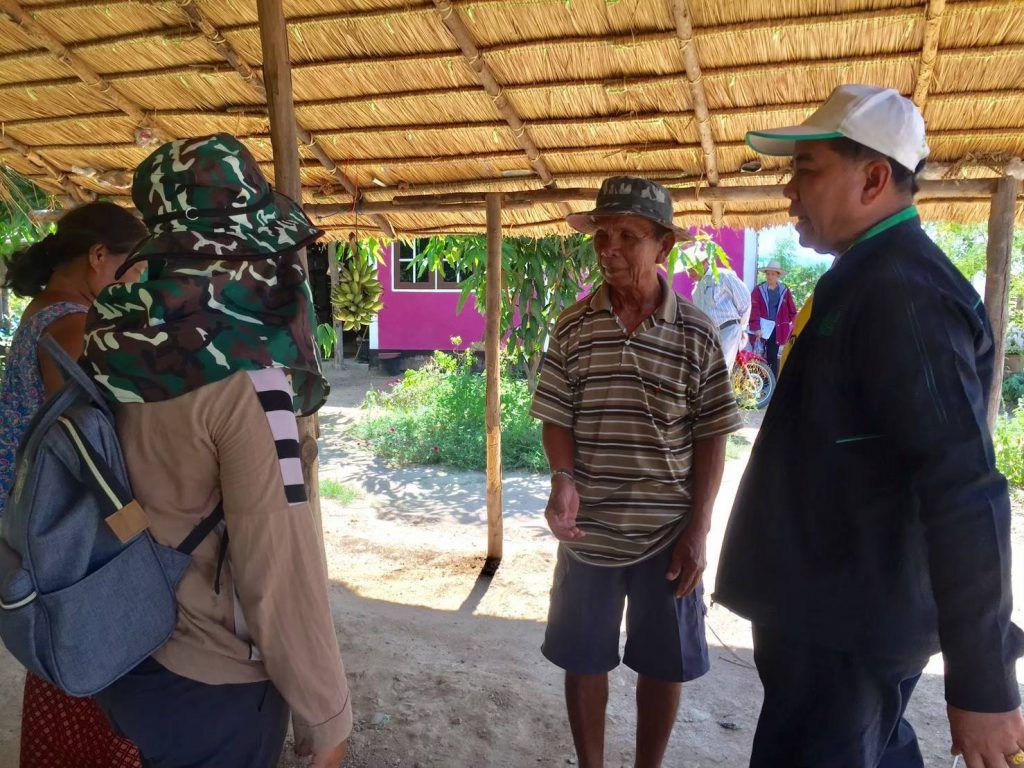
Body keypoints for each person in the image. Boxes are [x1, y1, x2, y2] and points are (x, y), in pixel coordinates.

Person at [714, 84, 1024, 768]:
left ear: (874, 179)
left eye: (807, 170)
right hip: (835, 614)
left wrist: (985, 680)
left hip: (847, 626)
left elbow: (964, 486)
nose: (789, 191)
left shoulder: (904, 292)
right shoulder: (868, 277)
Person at [81, 134, 352, 768]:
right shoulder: (248, 379)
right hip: (214, 680)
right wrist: (327, 719)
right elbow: (277, 565)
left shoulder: (112, 341)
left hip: (131, 652)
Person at [531, 176, 742, 768]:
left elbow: (712, 435)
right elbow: (556, 415)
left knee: (663, 663)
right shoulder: (573, 327)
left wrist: (699, 527)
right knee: (583, 660)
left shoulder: (697, 332)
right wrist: (563, 478)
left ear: (663, 245)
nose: (610, 249)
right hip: (589, 534)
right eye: (602, 236)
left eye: (628, 236)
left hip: (666, 535)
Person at [0, 202, 147, 768]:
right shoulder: (75, 327)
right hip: (62, 518)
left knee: (59, 643)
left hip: (32, 514)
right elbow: (98, 432)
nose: (135, 285)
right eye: (132, 270)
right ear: (99, 256)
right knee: (86, 643)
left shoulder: (42, 312)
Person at [687, 253, 750, 370]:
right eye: (688, 269)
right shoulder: (696, 291)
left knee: (720, 369)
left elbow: (744, 301)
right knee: (707, 369)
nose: (689, 273)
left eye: (692, 268)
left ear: (704, 262)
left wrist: (742, 327)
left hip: (728, 329)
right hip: (710, 335)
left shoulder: (722, 276)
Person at [747, 260, 797, 378]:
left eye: (773, 274)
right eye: (768, 274)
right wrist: (756, 327)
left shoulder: (784, 290)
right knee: (758, 355)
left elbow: (792, 310)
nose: (770, 276)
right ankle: (757, 381)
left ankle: (772, 382)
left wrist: (788, 325)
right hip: (761, 329)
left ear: (778, 275)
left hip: (776, 330)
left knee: (772, 357)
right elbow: (754, 308)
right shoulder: (758, 290)